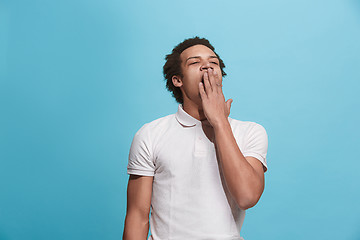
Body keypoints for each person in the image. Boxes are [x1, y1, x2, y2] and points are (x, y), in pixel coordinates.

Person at [123, 37, 268, 240]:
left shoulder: (250, 131)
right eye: (195, 62)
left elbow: (247, 196)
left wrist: (220, 122)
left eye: (213, 62)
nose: (207, 66)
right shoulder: (150, 134)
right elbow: (137, 217)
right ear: (177, 80)